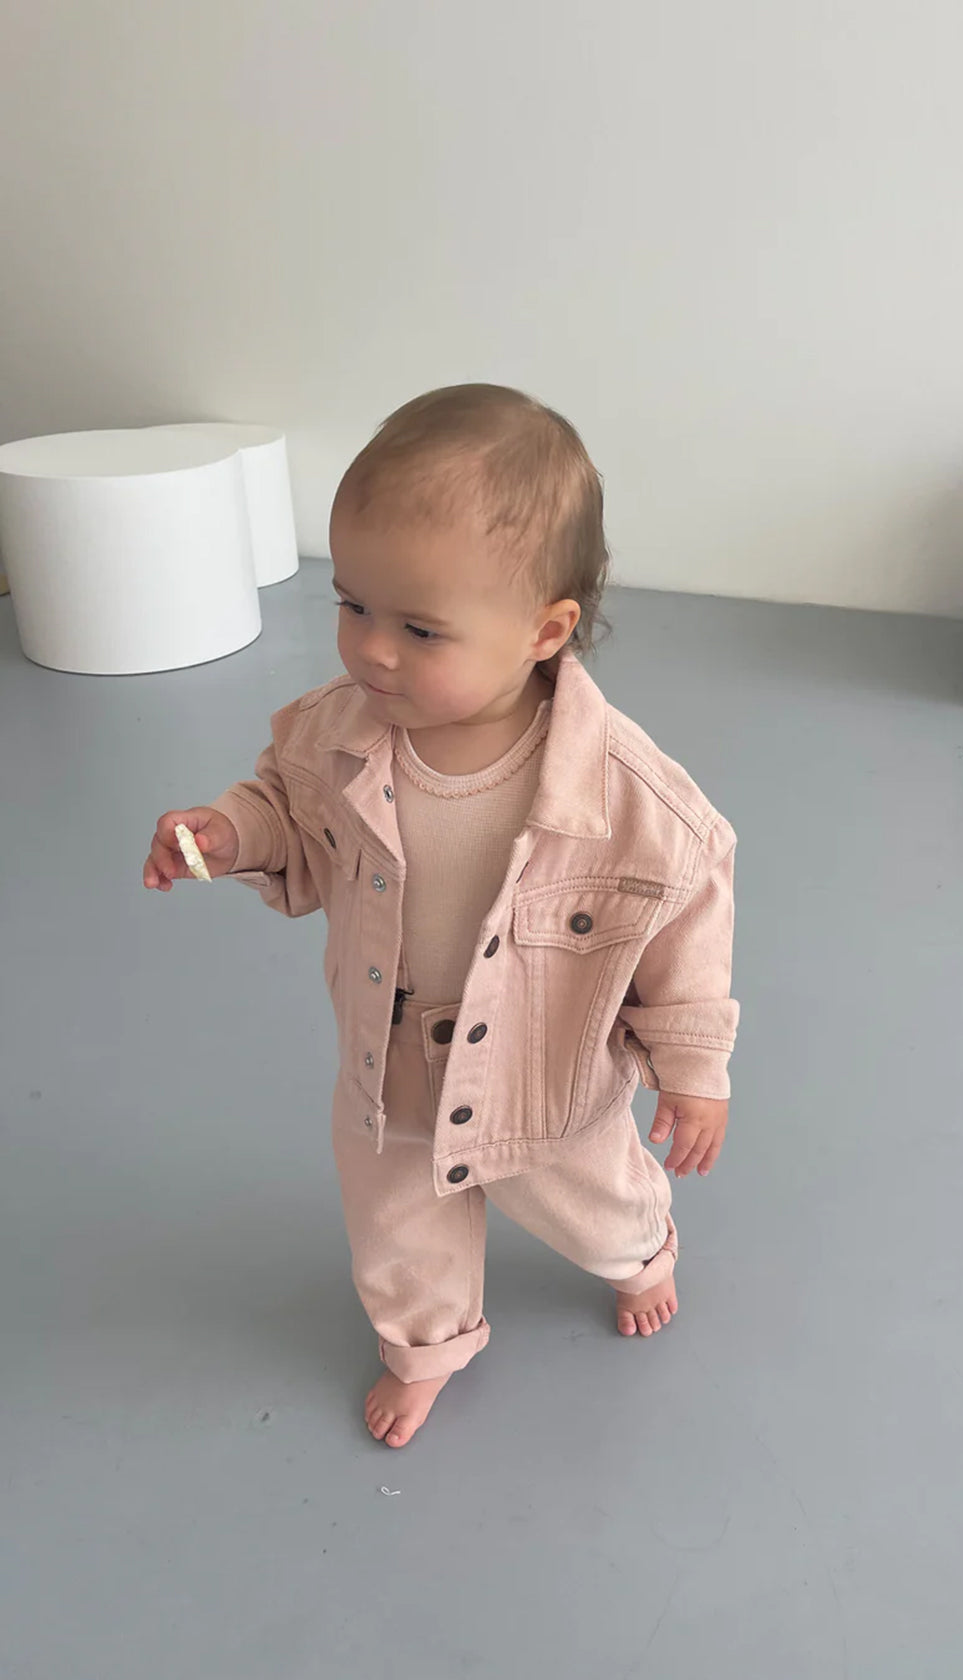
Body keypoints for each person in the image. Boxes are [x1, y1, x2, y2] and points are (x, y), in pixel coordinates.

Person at [143, 384, 739, 1449]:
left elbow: (686, 913)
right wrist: (232, 835)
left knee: (585, 1197)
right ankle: (425, 1345)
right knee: (395, 1226)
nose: (372, 650)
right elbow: (286, 807)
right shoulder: (338, 731)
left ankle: (641, 1251)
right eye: (351, 604)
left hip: (540, 1067)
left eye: (419, 628)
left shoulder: (624, 796)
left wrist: (692, 1065)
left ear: (543, 631)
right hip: (389, 1063)